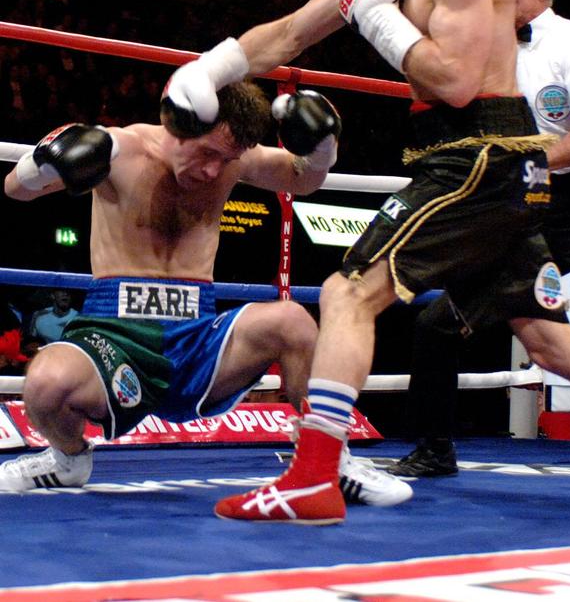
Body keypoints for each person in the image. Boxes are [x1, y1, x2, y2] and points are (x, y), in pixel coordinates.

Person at [161, 0, 570, 525]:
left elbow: (453, 81)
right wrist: (210, 68)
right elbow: (294, 31)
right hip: (462, 158)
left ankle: (313, 478)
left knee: (348, 291)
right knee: (545, 335)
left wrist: (380, 21)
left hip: (482, 154)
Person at [0, 83, 411, 507]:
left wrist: (324, 144)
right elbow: (17, 187)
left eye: (227, 159)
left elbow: (303, 177)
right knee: (46, 383)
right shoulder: (118, 148)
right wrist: (43, 161)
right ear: (175, 125)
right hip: (114, 335)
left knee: (291, 321)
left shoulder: (233, 157)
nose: (215, 171)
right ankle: (67, 460)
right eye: (207, 153)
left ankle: (329, 461)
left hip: (199, 338)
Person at [389, 0, 570, 477]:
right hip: (517, 207)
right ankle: (433, 448)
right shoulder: (478, 47)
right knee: (439, 322)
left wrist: (530, 164)